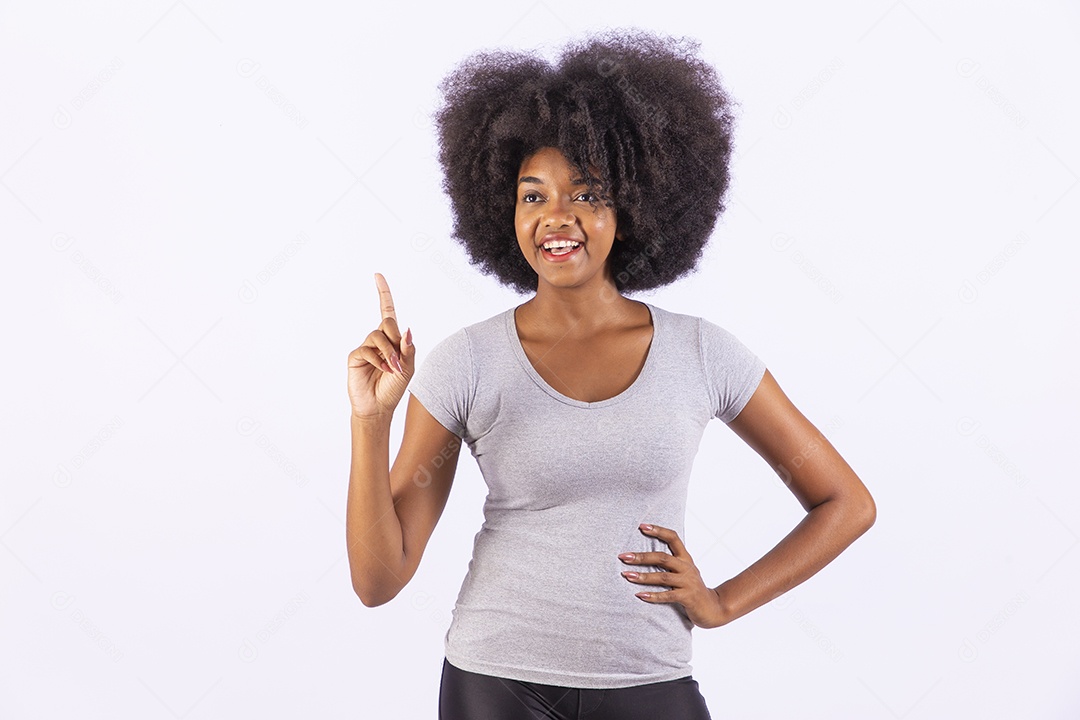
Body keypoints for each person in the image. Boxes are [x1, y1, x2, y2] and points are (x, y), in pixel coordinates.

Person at [345, 29, 876, 720]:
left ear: (629, 211)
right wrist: (370, 422)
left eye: (585, 193)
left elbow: (845, 503)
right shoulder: (466, 362)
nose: (555, 218)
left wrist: (721, 604)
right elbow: (379, 580)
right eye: (532, 196)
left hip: (650, 682)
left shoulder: (702, 354)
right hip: (494, 683)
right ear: (504, 212)